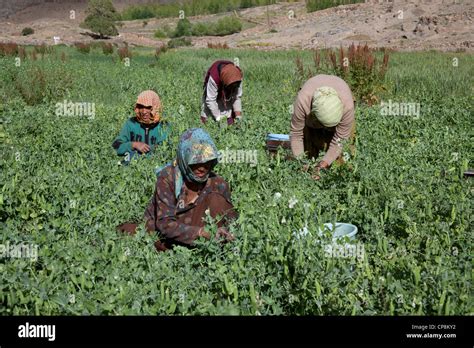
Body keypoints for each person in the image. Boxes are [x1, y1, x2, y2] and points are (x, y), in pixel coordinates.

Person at [117, 128, 237, 251]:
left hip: (201, 234)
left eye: (207, 162)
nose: (202, 168)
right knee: (131, 232)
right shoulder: (168, 178)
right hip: (163, 231)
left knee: (217, 200)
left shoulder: (218, 184)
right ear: (184, 159)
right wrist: (200, 233)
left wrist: (225, 233)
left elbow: (233, 223)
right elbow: (165, 225)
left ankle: (209, 250)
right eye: (195, 162)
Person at [290, 75, 356, 180]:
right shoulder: (303, 101)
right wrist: (301, 161)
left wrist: (322, 165)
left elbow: (340, 140)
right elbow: (296, 134)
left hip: (343, 105)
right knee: (309, 151)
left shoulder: (347, 107)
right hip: (311, 115)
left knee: (343, 156)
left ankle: (339, 179)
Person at [112, 90, 170, 163]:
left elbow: (167, 152)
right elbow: (116, 146)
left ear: (156, 107)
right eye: (141, 107)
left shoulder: (163, 125)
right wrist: (134, 145)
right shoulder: (131, 124)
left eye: (148, 107)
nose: (144, 111)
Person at [200, 60, 243, 125]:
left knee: (231, 120)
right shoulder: (214, 78)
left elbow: (236, 97)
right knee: (209, 118)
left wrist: (238, 117)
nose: (233, 88)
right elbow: (210, 100)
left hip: (227, 83)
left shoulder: (237, 77)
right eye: (231, 86)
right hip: (216, 84)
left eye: (235, 86)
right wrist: (219, 119)